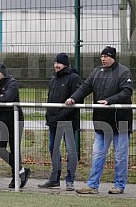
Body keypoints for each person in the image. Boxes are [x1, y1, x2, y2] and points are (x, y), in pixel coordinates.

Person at [65, 46, 133, 194]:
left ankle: (119, 185)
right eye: (101, 56)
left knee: (120, 156)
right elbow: (85, 87)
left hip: (120, 122)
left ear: (113, 57)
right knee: (97, 155)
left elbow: (127, 92)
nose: (103, 59)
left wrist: (109, 101)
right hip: (102, 122)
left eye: (106, 56)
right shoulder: (96, 72)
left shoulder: (123, 71)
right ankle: (92, 185)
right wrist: (73, 98)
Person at [0, 62, 30, 188]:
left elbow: (7, 98)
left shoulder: (12, 82)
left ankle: (16, 177)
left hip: (14, 120)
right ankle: (22, 170)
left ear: (4, 72)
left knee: (15, 149)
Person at [37, 53, 81, 191]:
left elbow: (78, 99)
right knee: (53, 149)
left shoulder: (74, 78)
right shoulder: (53, 78)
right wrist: (50, 115)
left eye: (59, 63)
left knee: (71, 150)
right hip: (53, 121)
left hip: (67, 121)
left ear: (66, 64)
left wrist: (62, 115)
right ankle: (54, 179)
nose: (56, 65)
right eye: (55, 63)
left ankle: (70, 180)